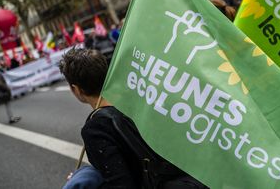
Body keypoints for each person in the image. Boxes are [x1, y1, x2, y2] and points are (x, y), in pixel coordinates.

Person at [59, 48, 205, 188]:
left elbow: (122, 184)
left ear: (75, 89)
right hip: (192, 177)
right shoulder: (141, 99)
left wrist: (83, 183)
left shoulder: (96, 128)